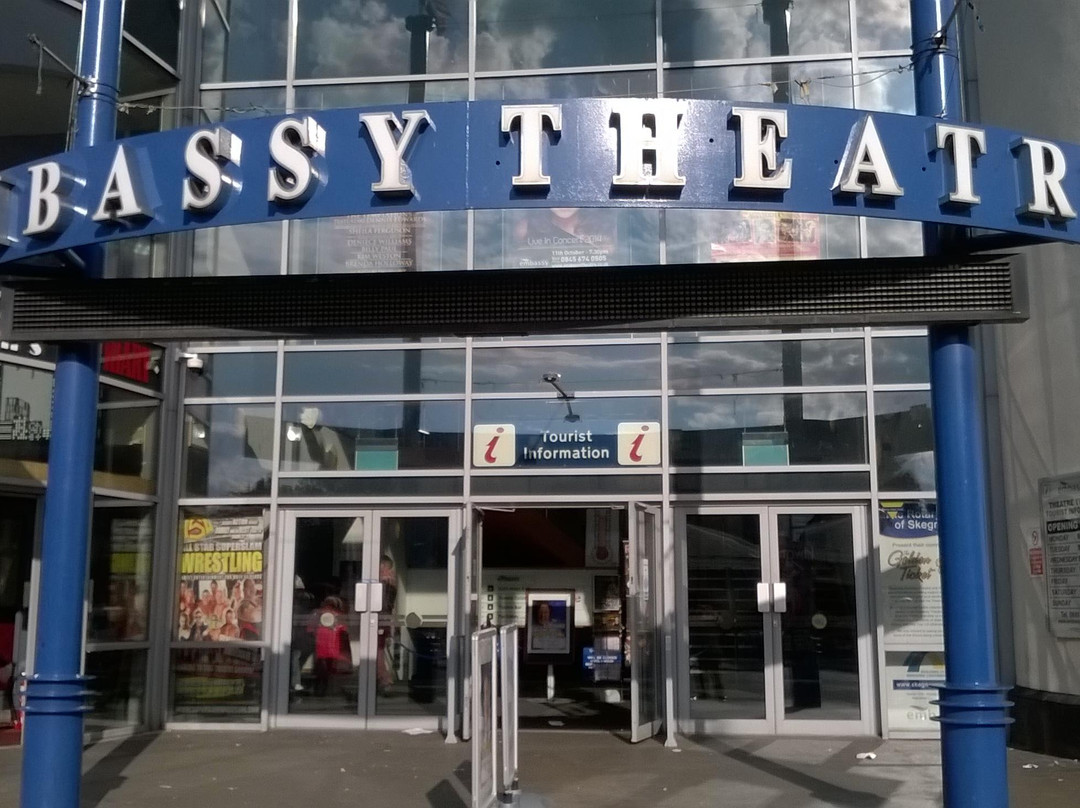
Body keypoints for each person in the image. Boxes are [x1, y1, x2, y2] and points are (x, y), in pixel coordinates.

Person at [309, 596, 351, 697]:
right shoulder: (339, 615)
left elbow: (310, 629)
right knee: (330, 668)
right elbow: (344, 629)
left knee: (320, 667)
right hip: (332, 646)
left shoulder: (317, 613)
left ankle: (319, 689)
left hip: (320, 645)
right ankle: (326, 689)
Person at [377, 555, 398, 694]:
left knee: (377, 651)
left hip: (380, 620)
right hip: (384, 620)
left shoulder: (385, 582)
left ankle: (385, 679)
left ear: (383, 565)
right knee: (378, 650)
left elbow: (383, 604)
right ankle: (381, 679)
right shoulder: (391, 582)